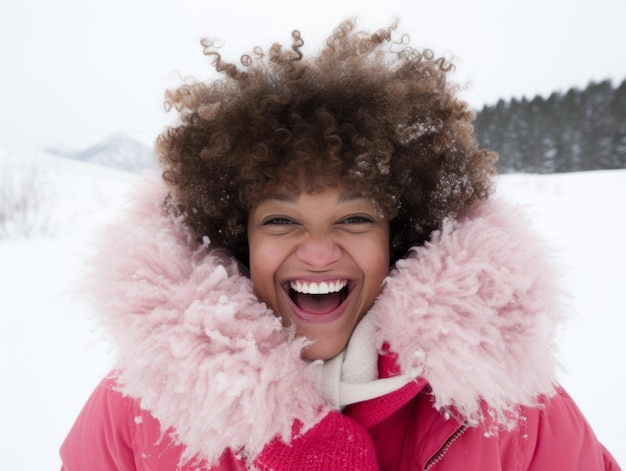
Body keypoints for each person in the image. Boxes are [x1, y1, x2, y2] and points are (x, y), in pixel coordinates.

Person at [60, 19, 621, 470]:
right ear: (238, 238)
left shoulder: (506, 407)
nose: (320, 251)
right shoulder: (141, 407)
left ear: (400, 236)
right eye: (281, 220)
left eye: (354, 218)